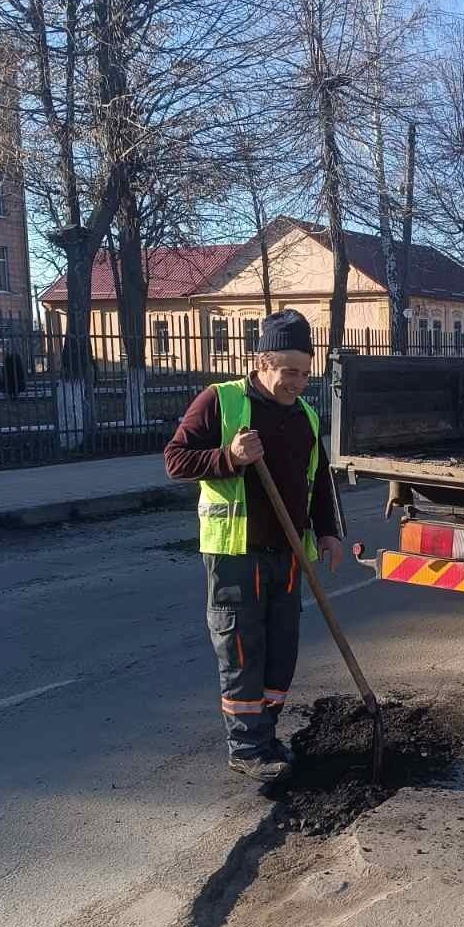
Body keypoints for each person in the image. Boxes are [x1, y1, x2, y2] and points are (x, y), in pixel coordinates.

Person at [164, 309, 343, 784]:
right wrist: (229, 457)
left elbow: (319, 479)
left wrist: (328, 532)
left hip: (288, 553)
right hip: (235, 553)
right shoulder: (219, 402)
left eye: (306, 373)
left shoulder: (304, 414)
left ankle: (266, 736)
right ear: (262, 361)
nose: (299, 382)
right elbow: (175, 460)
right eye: (289, 372)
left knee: (281, 651)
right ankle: (246, 747)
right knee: (243, 650)